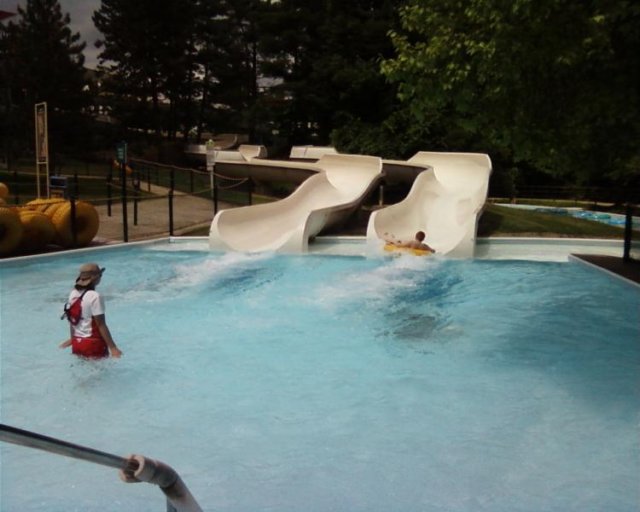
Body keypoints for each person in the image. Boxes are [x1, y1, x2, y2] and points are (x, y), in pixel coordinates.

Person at [59, 263, 123, 359]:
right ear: (96, 278)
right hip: (93, 344)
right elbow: (101, 325)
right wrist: (113, 348)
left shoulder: (73, 293)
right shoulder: (95, 296)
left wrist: (72, 339)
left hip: (77, 343)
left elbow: (72, 319)